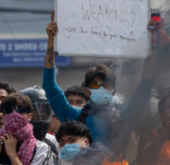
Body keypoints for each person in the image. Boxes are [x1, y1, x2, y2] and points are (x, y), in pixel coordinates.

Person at [43, 12, 155, 151]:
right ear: (87, 91)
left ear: (113, 91)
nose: (101, 88)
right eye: (95, 84)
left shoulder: (123, 117)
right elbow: (49, 85)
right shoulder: (74, 116)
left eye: (106, 85)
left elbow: (144, 89)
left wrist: (149, 41)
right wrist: (51, 41)